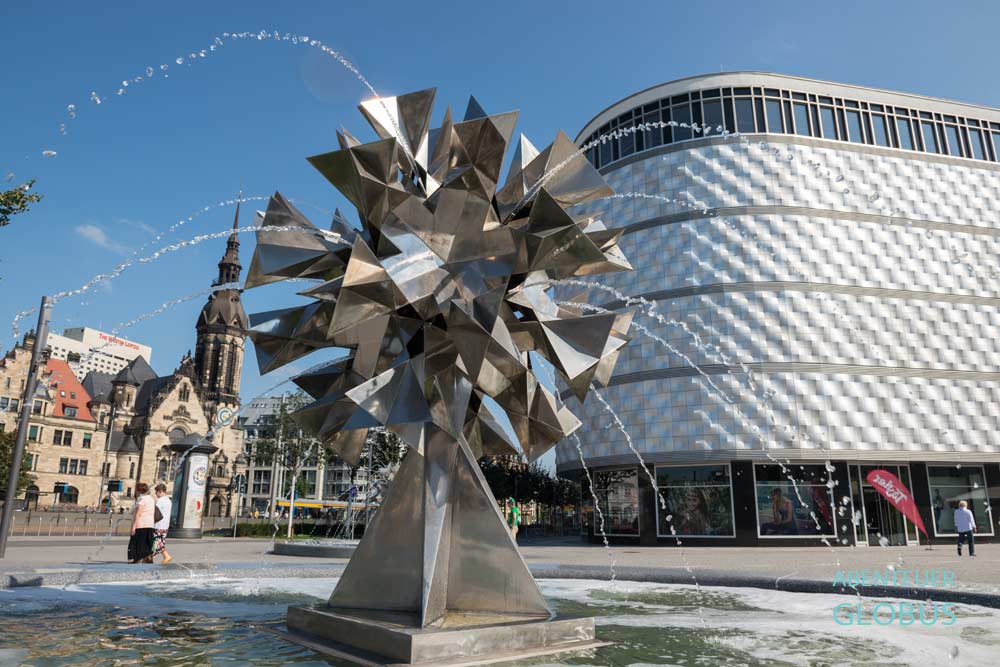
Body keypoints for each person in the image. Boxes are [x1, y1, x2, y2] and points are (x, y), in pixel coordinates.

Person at [127, 483, 156, 564]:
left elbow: (138, 513)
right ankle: (147, 557)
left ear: (138, 490)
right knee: (146, 542)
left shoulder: (142, 499)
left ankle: (134, 559)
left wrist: (134, 526)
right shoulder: (151, 499)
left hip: (141, 524)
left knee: (136, 542)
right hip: (149, 524)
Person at [153, 483, 173, 565]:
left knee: (156, 542)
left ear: (160, 491)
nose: (156, 494)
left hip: (158, 525)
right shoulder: (169, 500)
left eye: (156, 492)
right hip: (165, 525)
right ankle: (149, 558)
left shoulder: (160, 501)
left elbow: (155, 513)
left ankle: (166, 556)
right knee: (159, 541)